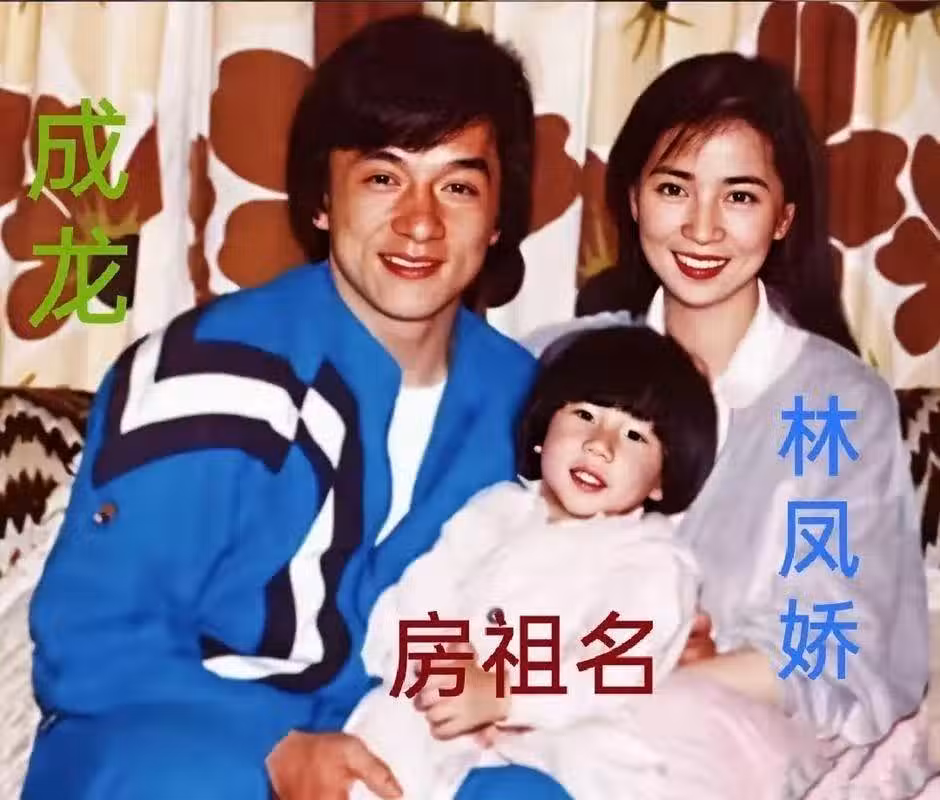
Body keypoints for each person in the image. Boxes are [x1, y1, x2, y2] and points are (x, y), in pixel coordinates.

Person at [22, 15, 574, 800]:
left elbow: (569, 596)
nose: (420, 222)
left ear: (496, 219)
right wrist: (272, 745)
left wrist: (648, 639)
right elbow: (90, 634)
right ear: (321, 198)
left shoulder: (535, 408)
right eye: (382, 179)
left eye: (457, 186)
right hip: (177, 732)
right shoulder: (204, 370)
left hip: (396, 742)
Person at [527, 52, 929, 794]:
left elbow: (841, 646)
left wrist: (660, 670)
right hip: (530, 708)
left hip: (719, 734)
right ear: (633, 199)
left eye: (739, 196)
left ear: (785, 217)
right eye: (674, 188)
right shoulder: (553, 363)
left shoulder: (834, 406)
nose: (702, 227)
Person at [344, 326, 717, 799]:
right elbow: (422, 593)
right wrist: (438, 666)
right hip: (450, 711)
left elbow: (611, 669)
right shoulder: (495, 511)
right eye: (585, 414)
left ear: (663, 479)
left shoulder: (653, 560)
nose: (600, 445)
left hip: (562, 741)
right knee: (388, 726)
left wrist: (505, 696)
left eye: (634, 435)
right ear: (544, 430)